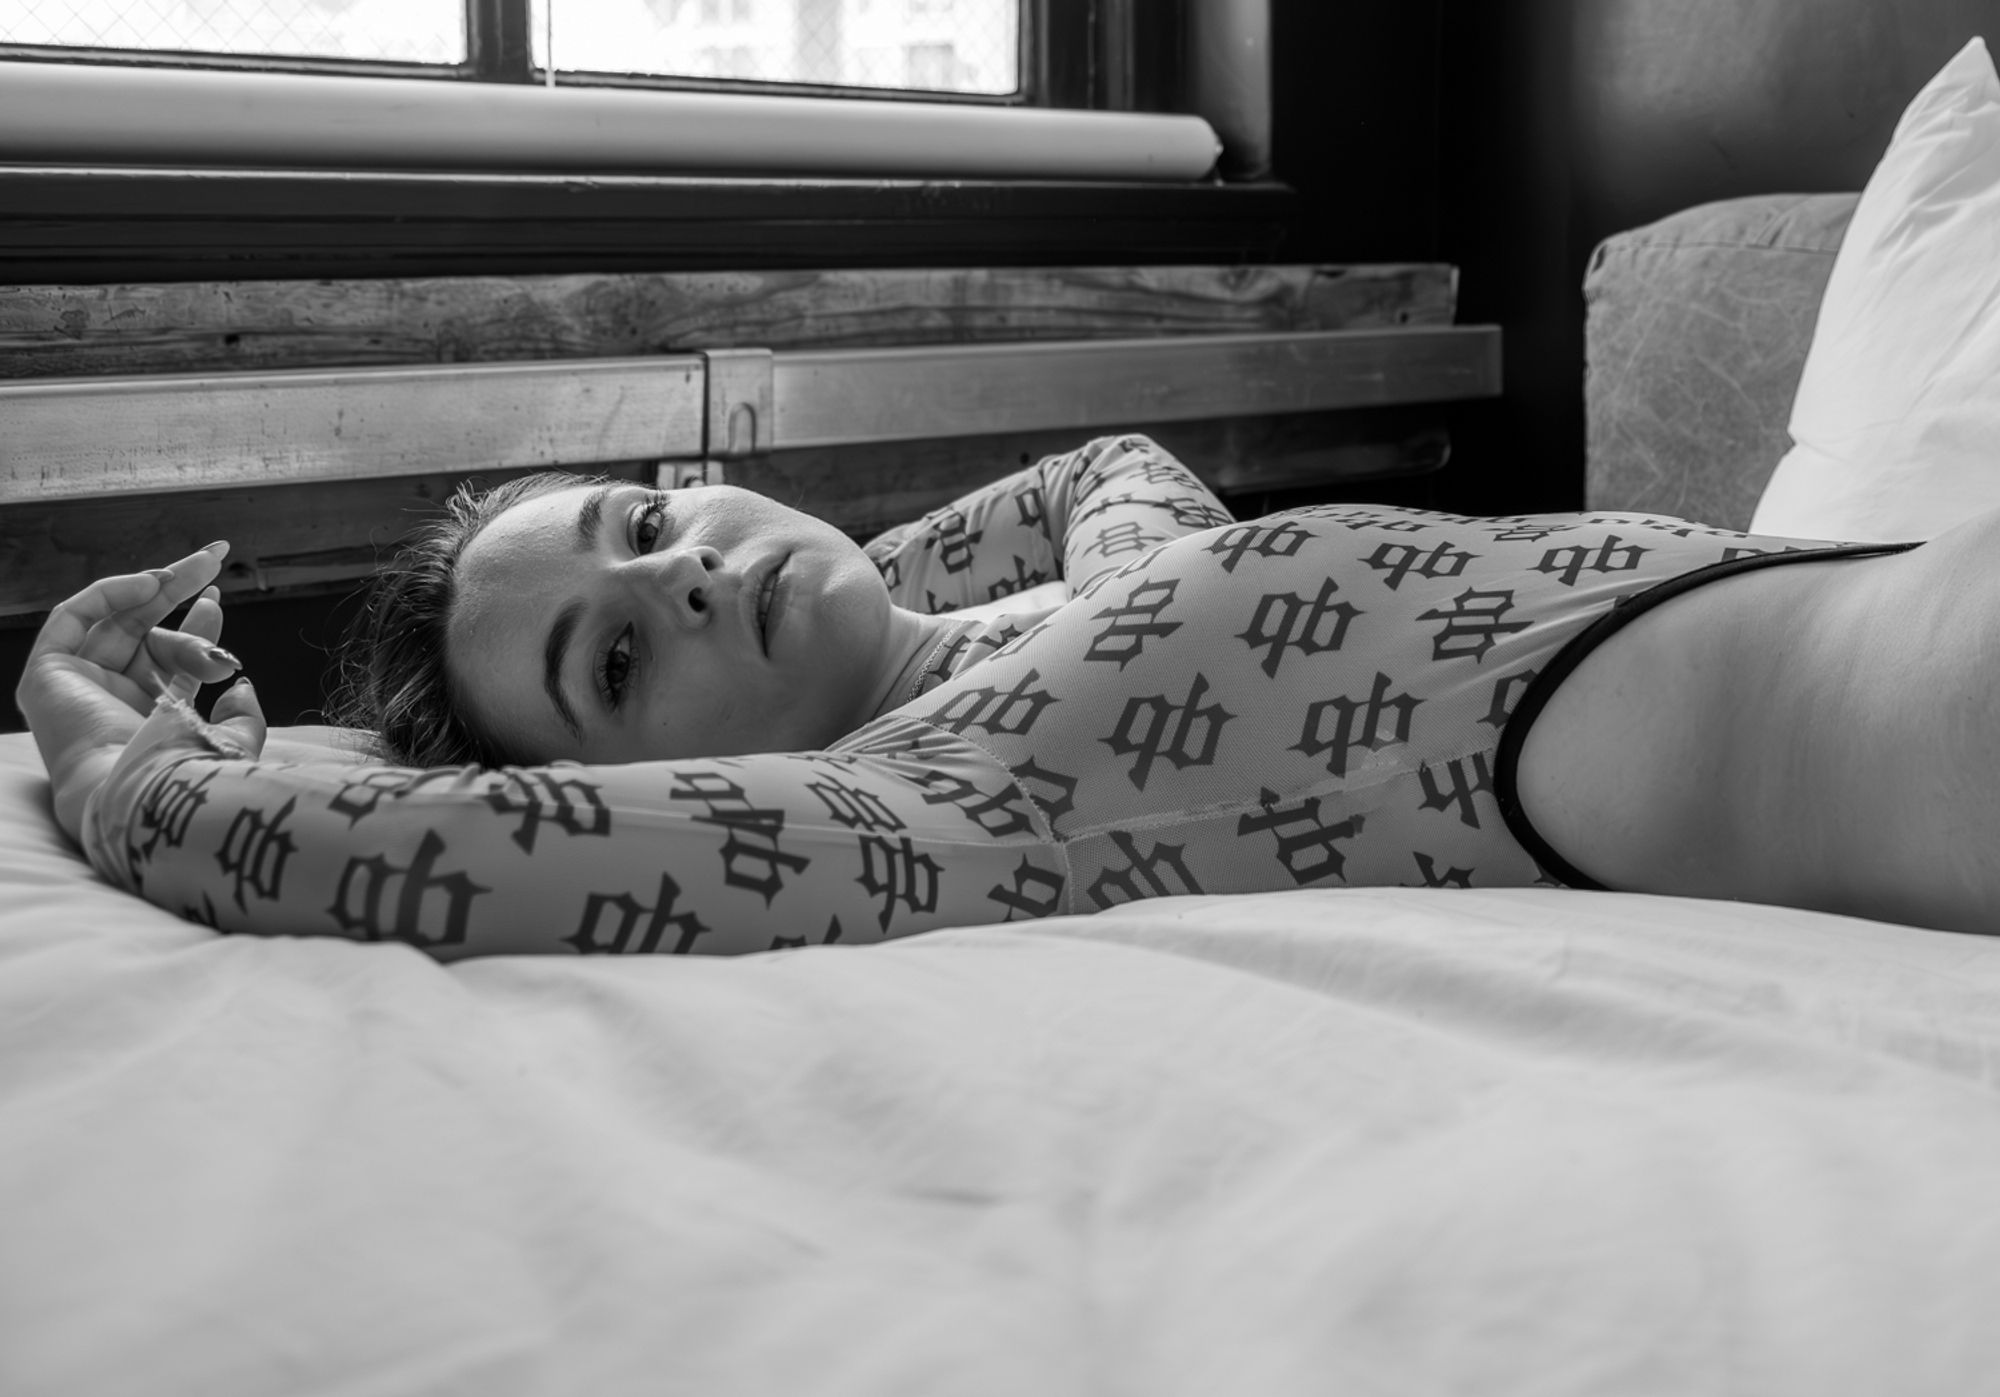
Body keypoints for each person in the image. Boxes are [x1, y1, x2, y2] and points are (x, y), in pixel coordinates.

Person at [14, 434, 1989, 958]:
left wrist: (864, 607)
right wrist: (90, 723)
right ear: (651, 787)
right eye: (617, 660)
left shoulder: (1067, 611)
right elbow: (310, 841)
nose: (685, 567)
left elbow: (1096, 470)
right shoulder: (934, 810)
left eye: (644, 515)